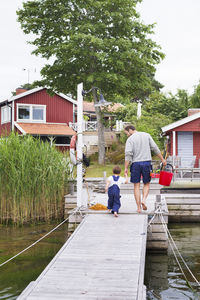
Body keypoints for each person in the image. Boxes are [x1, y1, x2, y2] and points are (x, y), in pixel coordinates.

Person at [124, 125, 166, 213]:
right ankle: (144, 200)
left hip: (135, 164)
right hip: (147, 163)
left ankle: (139, 208)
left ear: (130, 130)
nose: (127, 135)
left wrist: (126, 168)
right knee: (146, 183)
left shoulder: (130, 139)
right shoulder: (147, 135)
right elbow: (155, 148)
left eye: (127, 133)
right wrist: (162, 159)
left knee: (136, 185)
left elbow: (128, 154)